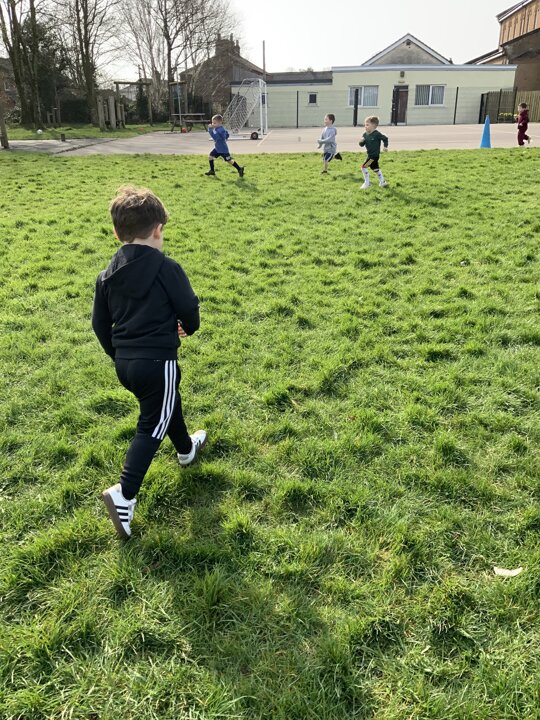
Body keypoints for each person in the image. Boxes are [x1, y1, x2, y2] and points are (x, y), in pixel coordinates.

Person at [92, 186, 207, 539]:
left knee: (166, 404)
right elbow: (189, 308)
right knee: (152, 425)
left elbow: (99, 323)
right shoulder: (167, 268)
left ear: (117, 233)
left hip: (125, 364)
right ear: (158, 229)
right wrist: (188, 327)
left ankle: (186, 450)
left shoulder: (106, 274)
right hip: (157, 361)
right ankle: (124, 494)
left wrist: (119, 354)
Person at [359, 116, 389, 189]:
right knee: (375, 168)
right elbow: (361, 144)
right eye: (365, 125)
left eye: (367, 125)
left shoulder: (377, 134)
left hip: (374, 156)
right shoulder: (365, 134)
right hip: (370, 155)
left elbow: (385, 138)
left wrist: (385, 146)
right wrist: (361, 142)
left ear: (373, 125)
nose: (365, 126)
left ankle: (367, 183)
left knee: (363, 167)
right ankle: (382, 182)